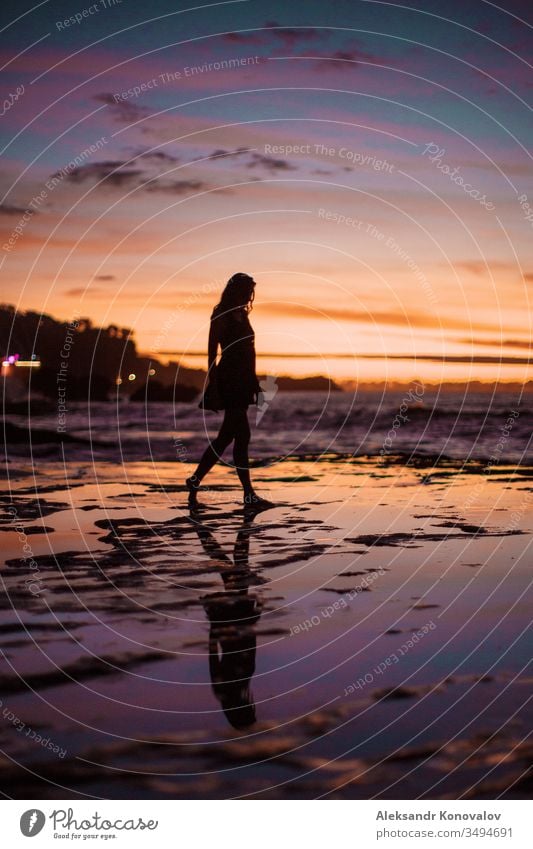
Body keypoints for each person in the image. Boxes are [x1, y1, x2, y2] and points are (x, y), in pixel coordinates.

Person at [186, 273, 271, 508]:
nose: (249, 296)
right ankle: (249, 494)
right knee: (242, 436)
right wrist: (213, 386)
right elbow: (212, 353)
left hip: (244, 379)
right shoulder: (221, 314)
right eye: (246, 291)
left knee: (226, 437)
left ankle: (194, 480)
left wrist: (254, 382)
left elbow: (250, 350)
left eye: (250, 292)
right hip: (229, 378)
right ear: (236, 291)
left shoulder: (243, 315)